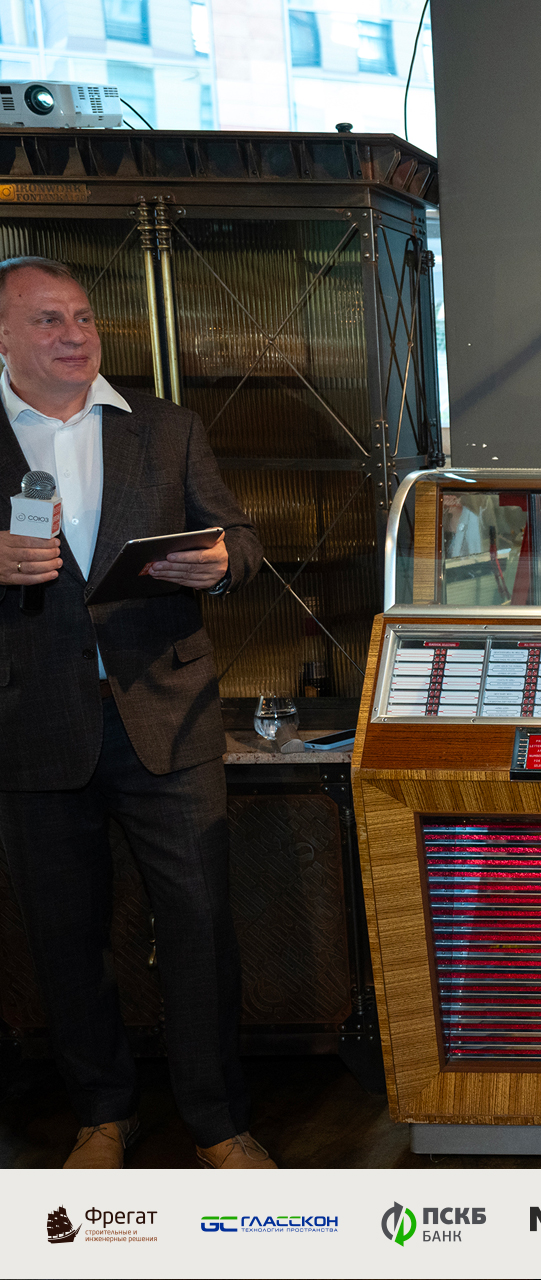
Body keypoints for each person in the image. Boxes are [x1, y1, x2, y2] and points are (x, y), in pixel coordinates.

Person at [0, 255, 271, 1169]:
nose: (74, 335)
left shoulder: (165, 426)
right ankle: (103, 1116)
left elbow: (241, 537)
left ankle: (219, 1124)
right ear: (2, 337)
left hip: (169, 712)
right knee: (63, 933)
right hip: (31, 721)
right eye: (48, 320)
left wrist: (222, 563)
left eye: (82, 317)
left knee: (200, 921)